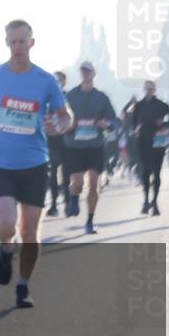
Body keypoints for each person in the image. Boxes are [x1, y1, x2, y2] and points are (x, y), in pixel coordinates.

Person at [0, 20, 72, 308]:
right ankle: (5, 248)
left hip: (35, 164)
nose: (17, 47)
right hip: (1, 163)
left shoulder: (45, 81)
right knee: (6, 224)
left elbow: (66, 114)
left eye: (22, 41)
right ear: (7, 43)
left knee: (30, 232)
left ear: (31, 43)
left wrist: (62, 125)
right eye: (12, 42)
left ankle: (23, 286)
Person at [63, 62, 117, 235]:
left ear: (94, 74)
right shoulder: (70, 96)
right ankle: (73, 197)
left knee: (94, 184)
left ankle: (90, 221)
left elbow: (113, 121)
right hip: (75, 146)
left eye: (88, 71)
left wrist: (105, 124)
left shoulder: (101, 97)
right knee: (77, 183)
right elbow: (59, 117)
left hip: (95, 146)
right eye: (83, 71)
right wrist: (67, 125)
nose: (85, 74)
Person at [131, 80, 169, 216]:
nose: (148, 91)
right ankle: (146, 201)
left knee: (157, 172)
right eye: (146, 89)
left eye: (151, 89)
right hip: (143, 140)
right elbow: (133, 123)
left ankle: (155, 202)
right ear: (143, 90)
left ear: (155, 90)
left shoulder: (162, 105)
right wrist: (135, 129)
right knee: (145, 171)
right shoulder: (138, 105)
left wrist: (163, 122)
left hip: (158, 140)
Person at [46, 71, 70, 217]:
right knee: (53, 172)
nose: (57, 83)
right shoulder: (47, 99)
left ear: (64, 82)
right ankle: (54, 204)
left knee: (66, 172)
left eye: (60, 80)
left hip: (66, 139)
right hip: (51, 139)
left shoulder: (68, 97)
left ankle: (68, 202)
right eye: (55, 80)